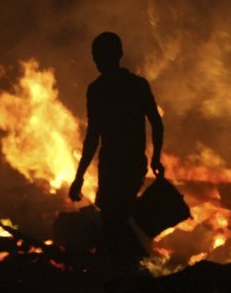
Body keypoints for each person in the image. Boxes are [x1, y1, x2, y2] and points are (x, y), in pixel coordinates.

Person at [69, 32, 164, 269]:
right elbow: (156, 123)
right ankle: (130, 268)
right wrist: (156, 158)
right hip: (123, 164)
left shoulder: (99, 90)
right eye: (95, 56)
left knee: (115, 220)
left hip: (118, 165)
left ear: (117, 55)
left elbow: (93, 137)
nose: (97, 60)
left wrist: (79, 177)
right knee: (117, 218)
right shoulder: (134, 86)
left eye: (100, 55)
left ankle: (128, 271)